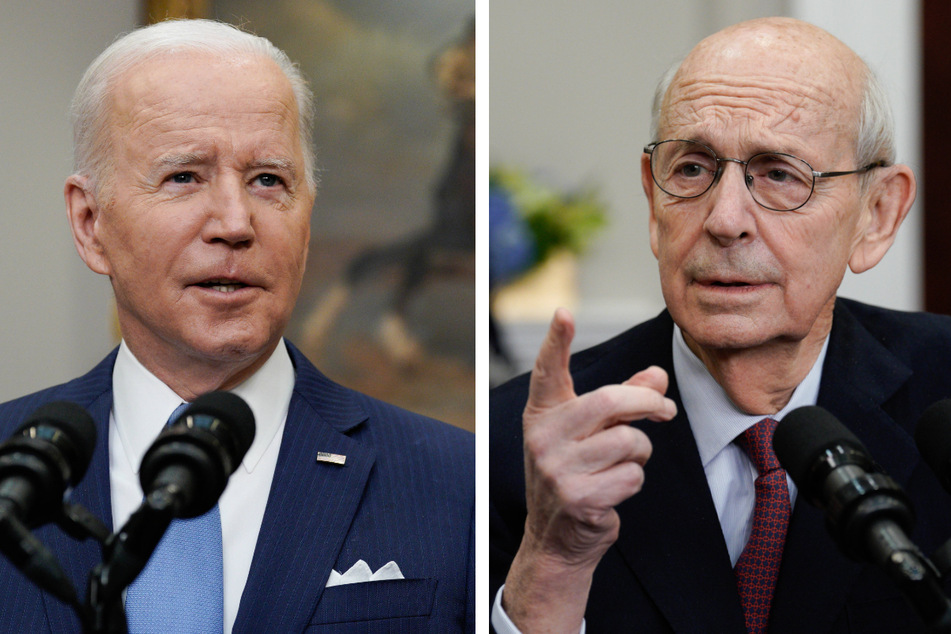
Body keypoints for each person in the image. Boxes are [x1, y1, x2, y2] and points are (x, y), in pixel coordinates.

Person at [0, 19, 473, 633]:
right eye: (184, 177)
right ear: (91, 224)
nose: (234, 222)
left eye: (268, 181)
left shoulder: (453, 482)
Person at [490, 17, 951, 633]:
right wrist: (551, 562)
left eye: (780, 174)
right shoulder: (516, 446)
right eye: (691, 170)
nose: (724, 219)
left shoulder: (942, 398)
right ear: (654, 205)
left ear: (877, 215)